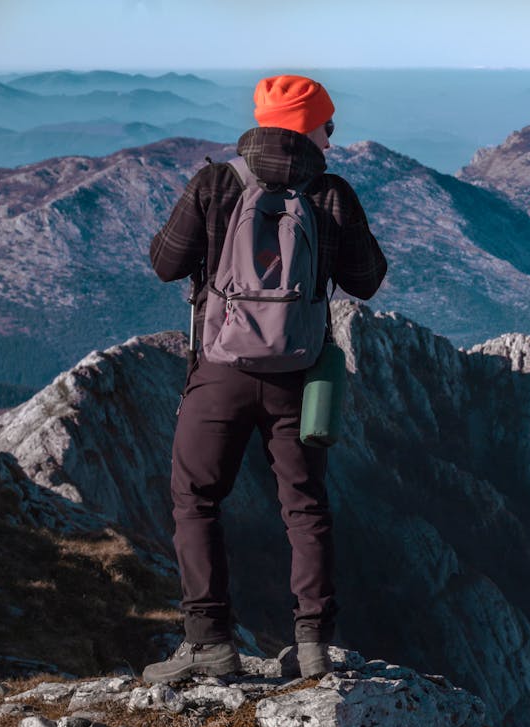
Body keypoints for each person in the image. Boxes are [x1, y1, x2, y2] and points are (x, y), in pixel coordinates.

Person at [143, 74, 387, 683]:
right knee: (305, 508)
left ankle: (208, 644)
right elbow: (367, 281)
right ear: (310, 128)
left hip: (220, 371)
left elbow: (165, 263)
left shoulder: (216, 182)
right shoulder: (331, 193)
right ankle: (312, 646)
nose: (332, 138)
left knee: (195, 500)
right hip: (299, 377)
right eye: (329, 125)